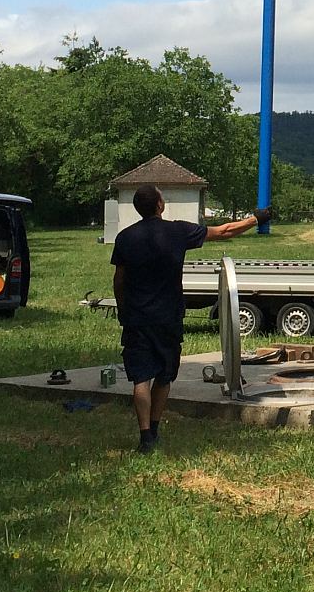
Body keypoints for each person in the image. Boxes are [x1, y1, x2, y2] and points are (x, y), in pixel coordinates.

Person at [111, 186, 269, 453]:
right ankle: (155, 428)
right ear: (159, 205)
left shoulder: (125, 237)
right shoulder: (177, 231)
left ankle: (145, 436)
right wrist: (257, 218)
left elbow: (119, 279)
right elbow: (224, 231)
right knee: (164, 376)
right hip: (168, 316)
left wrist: (123, 308)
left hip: (137, 318)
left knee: (140, 379)